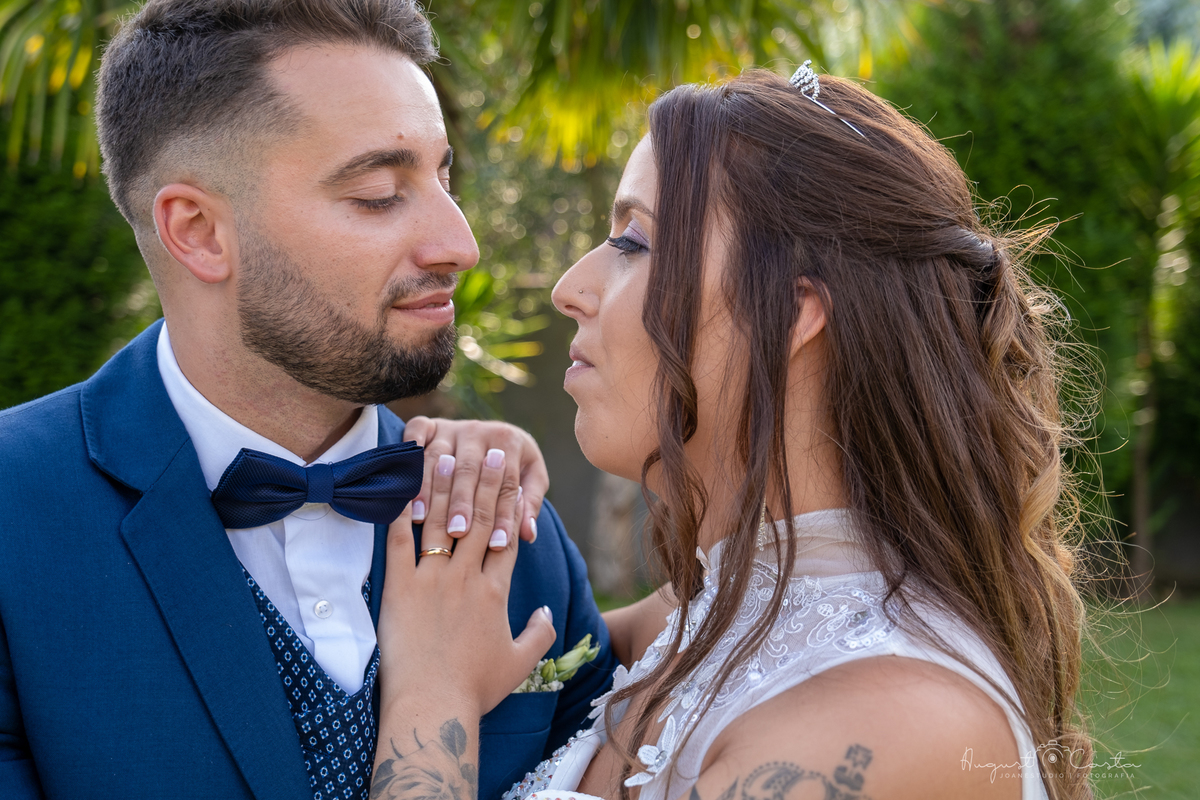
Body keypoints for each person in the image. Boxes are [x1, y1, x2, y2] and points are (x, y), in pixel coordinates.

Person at [370, 66, 1095, 800]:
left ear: (788, 314)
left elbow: (448, 666)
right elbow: (516, 633)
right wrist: (482, 474)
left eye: (635, 243)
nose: (570, 289)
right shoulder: (708, 613)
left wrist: (431, 695)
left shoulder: (890, 728)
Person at [0, 2, 616, 799]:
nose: (459, 245)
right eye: (378, 193)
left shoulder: (503, 517)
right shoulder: (15, 514)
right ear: (198, 231)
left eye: (443, 177)